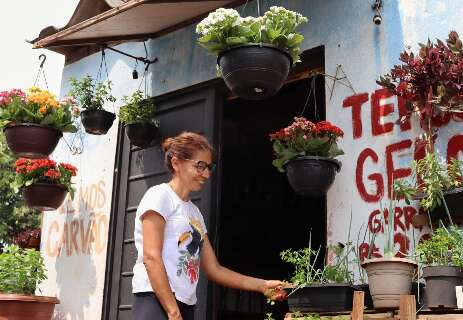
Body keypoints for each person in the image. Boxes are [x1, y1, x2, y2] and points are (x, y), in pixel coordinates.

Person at [132, 132, 286, 320]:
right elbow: (151, 257)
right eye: (200, 166)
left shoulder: (195, 213)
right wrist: (172, 312)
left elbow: (214, 269)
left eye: (208, 167)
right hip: (155, 300)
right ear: (176, 163)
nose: (206, 174)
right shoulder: (159, 196)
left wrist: (262, 285)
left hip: (184, 304)